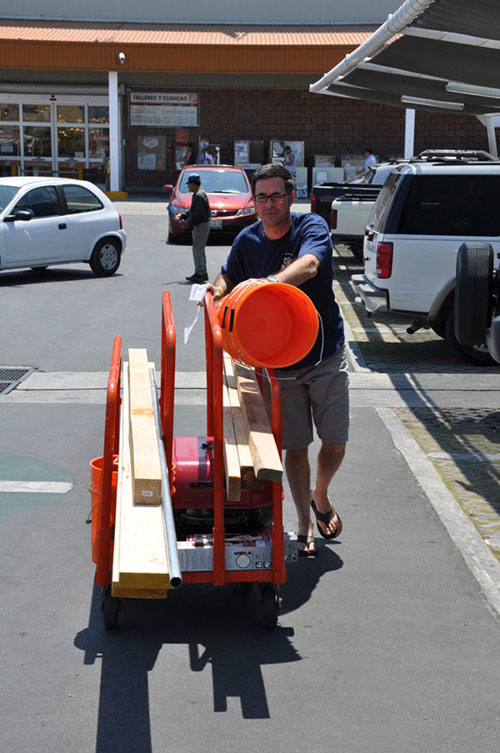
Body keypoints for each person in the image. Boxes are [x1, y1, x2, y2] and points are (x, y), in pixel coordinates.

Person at [206, 164, 349, 556]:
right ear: (254, 201)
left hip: (324, 354)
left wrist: (268, 283)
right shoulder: (246, 241)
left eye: (277, 196)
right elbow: (227, 277)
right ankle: (304, 524)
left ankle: (321, 493)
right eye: (262, 197)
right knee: (296, 447)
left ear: (290, 197)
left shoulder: (311, 227)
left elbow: (311, 265)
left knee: (334, 443)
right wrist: (215, 293)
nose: (269, 205)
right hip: (277, 366)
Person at [183, 173, 211, 283]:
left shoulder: (199, 195)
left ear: (193, 183)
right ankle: (202, 271)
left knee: (197, 249)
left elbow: (198, 214)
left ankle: (199, 273)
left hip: (200, 225)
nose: (188, 187)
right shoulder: (198, 193)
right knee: (200, 248)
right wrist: (185, 215)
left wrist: (188, 222)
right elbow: (194, 210)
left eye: (189, 184)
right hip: (201, 224)